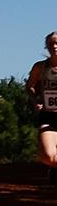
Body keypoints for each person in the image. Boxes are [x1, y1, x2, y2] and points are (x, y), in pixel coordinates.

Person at [32, 32, 57, 183]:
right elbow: (30, 87)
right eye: (51, 44)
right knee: (47, 156)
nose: (54, 46)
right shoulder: (40, 67)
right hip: (49, 116)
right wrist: (36, 100)